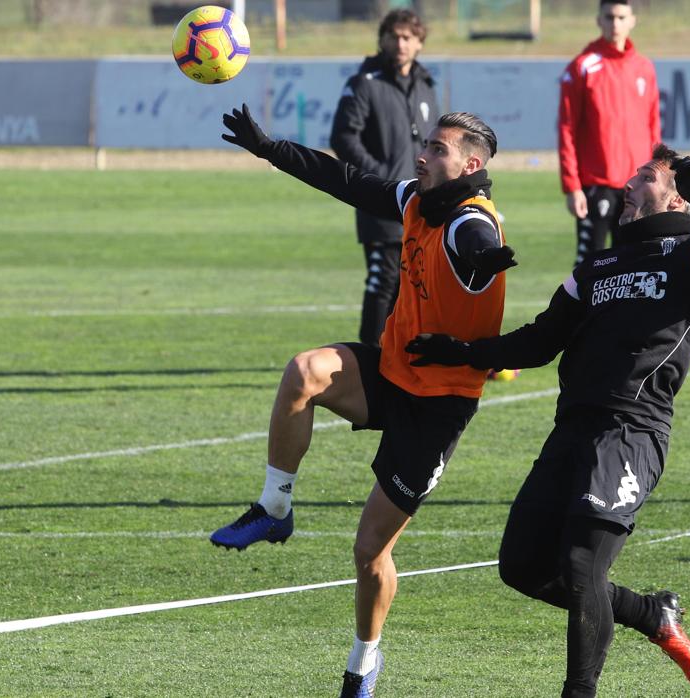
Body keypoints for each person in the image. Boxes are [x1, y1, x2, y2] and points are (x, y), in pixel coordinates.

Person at [407, 145, 690, 696]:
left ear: (675, 196)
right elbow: (541, 341)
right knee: (522, 566)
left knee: (581, 564)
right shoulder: (598, 265)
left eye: (645, 177)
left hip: (632, 431)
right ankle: (652, 614)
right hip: (571, 429)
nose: (627, 184)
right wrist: (462, 350)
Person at [210, 104, 515, 698]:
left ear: (470, 165)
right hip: (392, 371)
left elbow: (477, 246)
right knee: (305, 371)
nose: (424, 155)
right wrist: (269, 148)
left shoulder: (469, 222)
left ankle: (363, 662)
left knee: (370, 551)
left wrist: (486, 259)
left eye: (438, 150)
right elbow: (345, 180)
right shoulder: (417, 200)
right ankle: (275, 508)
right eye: (426, 144)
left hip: (437, 406)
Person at [330, 8, 439, 347]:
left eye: (408, 37)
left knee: (412, 284)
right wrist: (378, 180)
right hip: (382, 201)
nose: (400, 43)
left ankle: (395, 355)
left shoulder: (425, 85)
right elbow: (344, 138)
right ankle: (366, 359)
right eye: (394, 36)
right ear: (382, 40)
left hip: (421, 203)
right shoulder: (364, 83)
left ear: (419, 42)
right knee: (383, 280)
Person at [558, 0, 660, 267]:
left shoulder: (644, 68)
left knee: (631, 264)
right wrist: (573, 186)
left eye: (621, 17)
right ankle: (580, 311)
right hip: (596, 185)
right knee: (589, 265)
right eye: (609, 17)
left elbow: (653, 128)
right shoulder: (582, 66)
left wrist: (657, 177)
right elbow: (566, 128)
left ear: (632, 20)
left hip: (635, 185)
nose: (615, 24)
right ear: (599, 20)